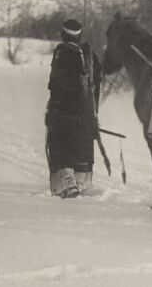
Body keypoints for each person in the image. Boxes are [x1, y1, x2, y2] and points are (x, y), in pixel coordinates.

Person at [45, 19, 102, 198]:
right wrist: (93, 111)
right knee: (83, 146)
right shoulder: (91, 55)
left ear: (63, 35)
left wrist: (53, 109)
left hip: (65, 111)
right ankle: (80, 182)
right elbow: (97, 85)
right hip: (87, 111)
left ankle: (69, 185)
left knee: (59, 144)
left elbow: (57, 85)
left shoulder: (62, 54)